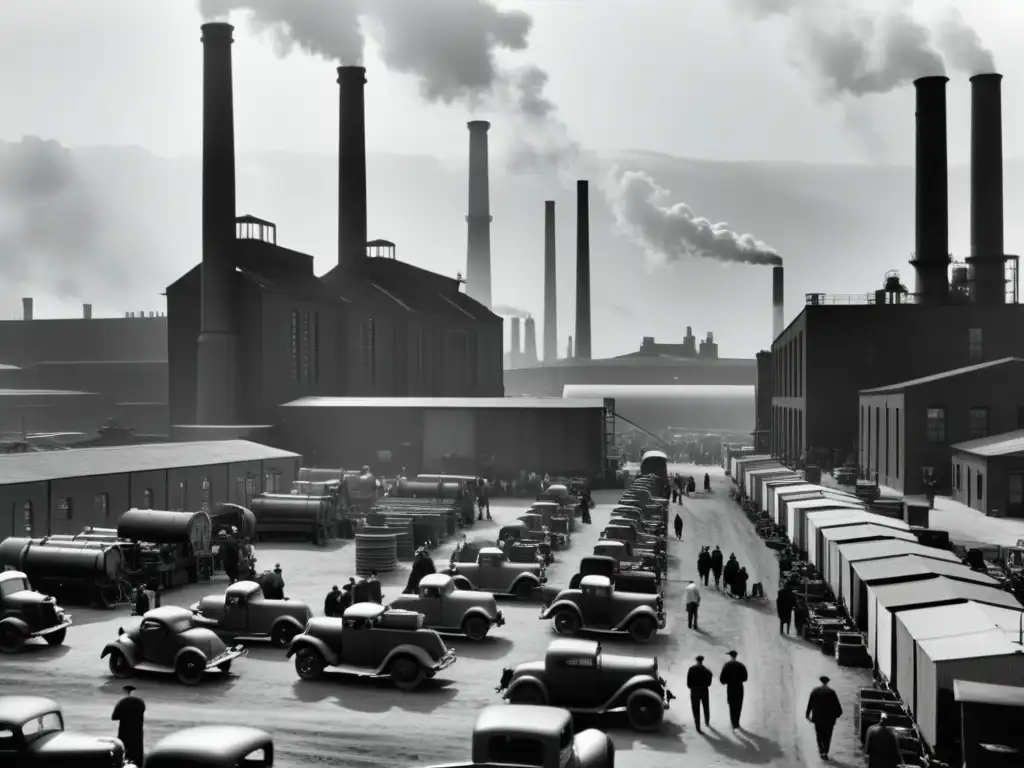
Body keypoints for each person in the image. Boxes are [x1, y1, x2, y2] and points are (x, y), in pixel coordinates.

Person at [806, 675, 844, 760]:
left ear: (820, 682)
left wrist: (807, 715)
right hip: (829, 720)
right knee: (827, 736)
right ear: (827, 682)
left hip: (817, 719)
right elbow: (839, 709)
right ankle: (825, 752)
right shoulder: (831, 692)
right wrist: (836, 716)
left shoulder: (815, 691)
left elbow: (810, 704)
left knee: (819, 736)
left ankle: (821, 751)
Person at [111, 684, 145, 767]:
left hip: (125, 730)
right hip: (137, 731)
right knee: (137, 748)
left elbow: (114, 717)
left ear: (125, 692)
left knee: (125, 749)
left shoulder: (122, 702)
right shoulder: (140, 702)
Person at [719, 650, 748, 729]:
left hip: (731, 688)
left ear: (730, 656)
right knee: (738, 705)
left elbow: (722, 680)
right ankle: (737, 723)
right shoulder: (741, 665)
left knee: (732, 705)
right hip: (739, 687)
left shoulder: (727, 665)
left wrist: (727, 681)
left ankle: (733, 723)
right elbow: (745, 678)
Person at [686, 655, 713, 733]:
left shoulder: (691, 669)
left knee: (696, 709)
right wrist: (705, 685)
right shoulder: (707, 670)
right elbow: (709, 682)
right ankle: (707, 722)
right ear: (702, 661)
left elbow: (688, 683)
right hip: (704, 690)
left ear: (696, 660)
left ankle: (698, 728)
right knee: (706, 707)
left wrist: (692, 687)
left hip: (694, 691)